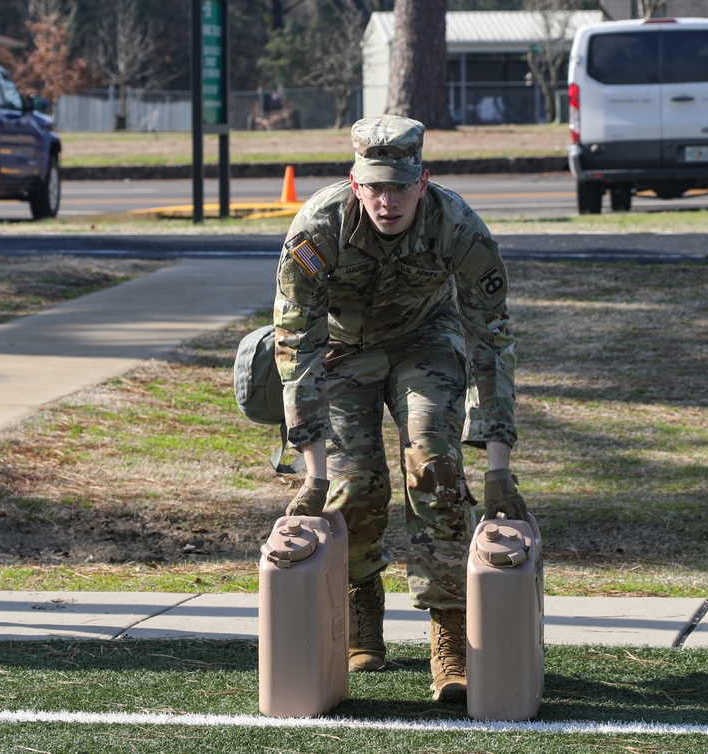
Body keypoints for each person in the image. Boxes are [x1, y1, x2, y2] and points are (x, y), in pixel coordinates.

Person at [274, 113, 526, 702]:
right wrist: (310, 473)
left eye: (399, 187)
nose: (387, 202)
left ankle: (450, 633)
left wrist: (498, 471)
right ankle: (362, 602)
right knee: (352, 482)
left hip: (425, 340)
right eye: (375, 187)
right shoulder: (319, 228)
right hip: (341, 347)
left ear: (424, 181)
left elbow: (492, 341)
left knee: (434, 461)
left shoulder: (458, 227)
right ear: (355, 183)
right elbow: (297, 345)